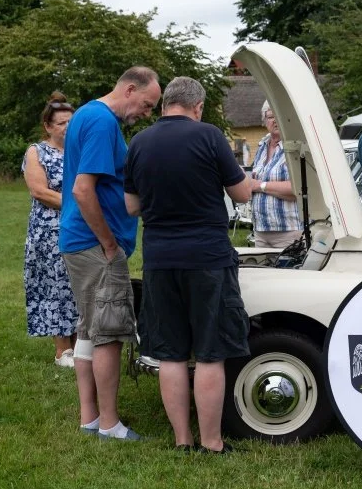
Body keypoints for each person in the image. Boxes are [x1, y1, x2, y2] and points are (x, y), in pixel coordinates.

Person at [124, 76, 251, 453]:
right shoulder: (210, 136)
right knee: (211, 351)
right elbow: (241, 192)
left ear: (165, 104)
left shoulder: (139, 143)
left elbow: (131, 206)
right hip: (207, 257)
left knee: (171, 353)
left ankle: (183, 440)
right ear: (197, 107)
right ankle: (212, 442)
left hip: (160, 258)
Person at [59, 67, 161, 440]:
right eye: (147, 105)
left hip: (77, 241)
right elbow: (83, 190)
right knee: (109, 334)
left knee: (88, 330)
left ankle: (90, 417)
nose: (146, 114)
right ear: (130, 88)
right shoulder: (103, 123)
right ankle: (109, 423)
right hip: (94, 245)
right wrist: (108, 243)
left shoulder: (86, 113)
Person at [22, 91, 78, 367]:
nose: (67, 127)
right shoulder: (36, 151)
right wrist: (79, 205)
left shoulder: (79, 149)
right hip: (49, 230)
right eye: (61, 123)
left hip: (80, 227)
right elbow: (39, 191)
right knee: (56, 285)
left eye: (71, 121)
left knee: (80, 283)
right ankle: (62, 350)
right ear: (47, 126)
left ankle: (81, 344)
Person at [250, 101, 303, 248]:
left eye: (280, 115)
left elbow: (297, 189)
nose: (275, 120)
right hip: (260, 230)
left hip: (288, 231)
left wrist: (259, 186)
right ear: (264, 121)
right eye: (271, 116)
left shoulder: (294, 147)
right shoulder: (262, 146)